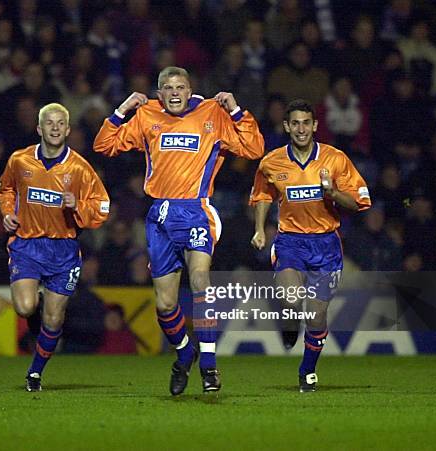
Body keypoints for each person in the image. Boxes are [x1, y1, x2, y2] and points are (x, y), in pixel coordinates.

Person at [93, 66, 264, 395]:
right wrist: (122, 110)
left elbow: (254, 149)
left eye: (180, 87)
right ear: (159, 93)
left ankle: (210, 364)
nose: (174, 92)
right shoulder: (147, 115)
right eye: (167, 87)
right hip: (159, 215)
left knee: (200, 279)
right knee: (165, 305)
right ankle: (185, 352)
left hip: (197, 210)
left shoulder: (211, 113)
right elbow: (104, 146)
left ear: (190, 91)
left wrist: (237, 110)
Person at [249, 99, 371, 392]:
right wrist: (259, 229)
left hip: (327, 244)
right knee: (291, 299)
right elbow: (263, 195)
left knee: (316, 315)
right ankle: (289, 324)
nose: (301, 129)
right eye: (295, 123)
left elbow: (359, 203)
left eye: (306, 123)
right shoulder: (271, 162)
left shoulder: (336, 159)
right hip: (291, 241)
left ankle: (307, 370)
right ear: (287, 126)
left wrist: (332, 192)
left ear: (315, 125)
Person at [0, 103, 110, 392]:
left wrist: (79, 205)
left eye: (61, 123)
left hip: (64, 250)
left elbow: (102, 207)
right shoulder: (20, 161)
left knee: (55, 317)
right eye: (50, 123)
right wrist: (8, 212)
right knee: (24, 307)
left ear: (68, 130)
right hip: (27, 244)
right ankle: (35, 311)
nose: (55, 128)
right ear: (39, 129)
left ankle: (35, 373)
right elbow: (4, 189)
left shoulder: (80, 168)